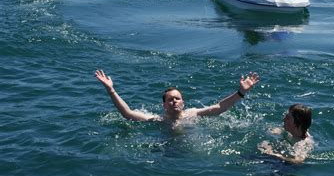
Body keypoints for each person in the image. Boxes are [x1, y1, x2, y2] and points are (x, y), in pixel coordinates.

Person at [94, 70, 259, 123]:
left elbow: (219, 108)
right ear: (164, 105)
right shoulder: (158, 120)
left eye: (177, 98)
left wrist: (241, 92)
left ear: (183, 102)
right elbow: (128, 113)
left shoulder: (193, 114)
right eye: (170, 99)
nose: (174, 101)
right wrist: (111, 90)